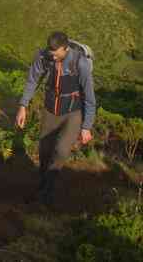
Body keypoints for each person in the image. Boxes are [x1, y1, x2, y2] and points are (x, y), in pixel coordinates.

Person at [15, 31, 97, 206]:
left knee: (61, 151)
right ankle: (43, 183)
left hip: (73, 112)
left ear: (65, 49)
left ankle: (46, 192)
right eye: (50, 52)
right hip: (51, 109)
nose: (52, 56)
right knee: (44, 150)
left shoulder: (80, 63)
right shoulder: (43, 57)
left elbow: (90, 98)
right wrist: (23, 106)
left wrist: (86, 126)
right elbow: (32, 81)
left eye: (56, 53)